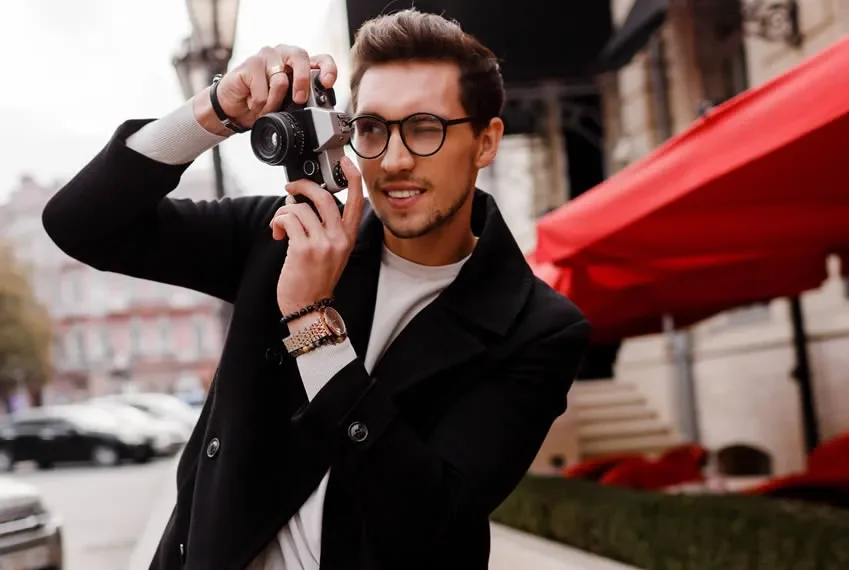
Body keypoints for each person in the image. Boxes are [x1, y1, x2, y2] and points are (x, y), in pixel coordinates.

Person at [42, 8, 590, 570]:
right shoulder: (285, 235)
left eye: (425, 127)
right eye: (373, 129)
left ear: (485, 142)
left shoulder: (537, 329)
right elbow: (81, 224)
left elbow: (429, 524)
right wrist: (216, 112)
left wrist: (312, 323)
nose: (395, 160)